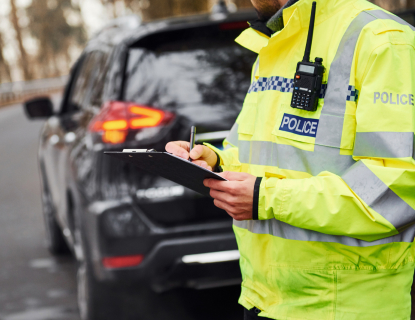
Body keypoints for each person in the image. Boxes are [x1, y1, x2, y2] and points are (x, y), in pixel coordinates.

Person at [166, 0, 415, 319]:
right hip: (264, 299)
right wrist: (213, 162)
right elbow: (260, 156)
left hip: (345, 306)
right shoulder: (277, 39)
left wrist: (265, 198)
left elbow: (395, 189)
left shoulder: (384, 40)